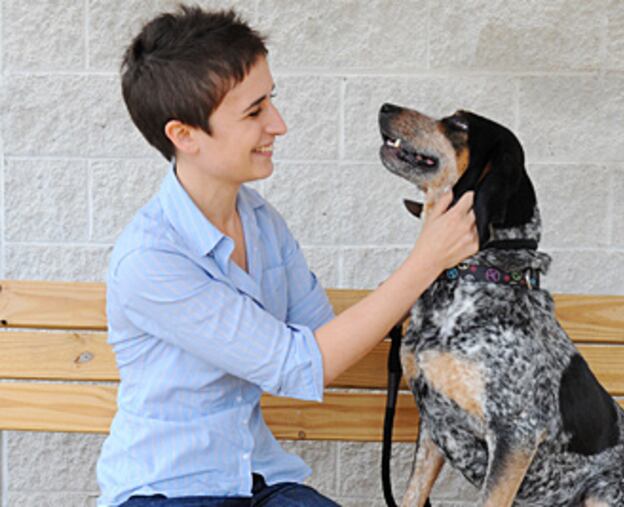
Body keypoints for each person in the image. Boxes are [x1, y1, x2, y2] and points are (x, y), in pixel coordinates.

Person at [96, 5, 478, 506]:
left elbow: (322, 337)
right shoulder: (151, 260)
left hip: (258, 481)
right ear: (184, 135)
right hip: (167, 490)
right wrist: (425, 260)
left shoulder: (260, 221)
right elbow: (302, 366)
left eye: (270, 101)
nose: (278, 124)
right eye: (254, 112)